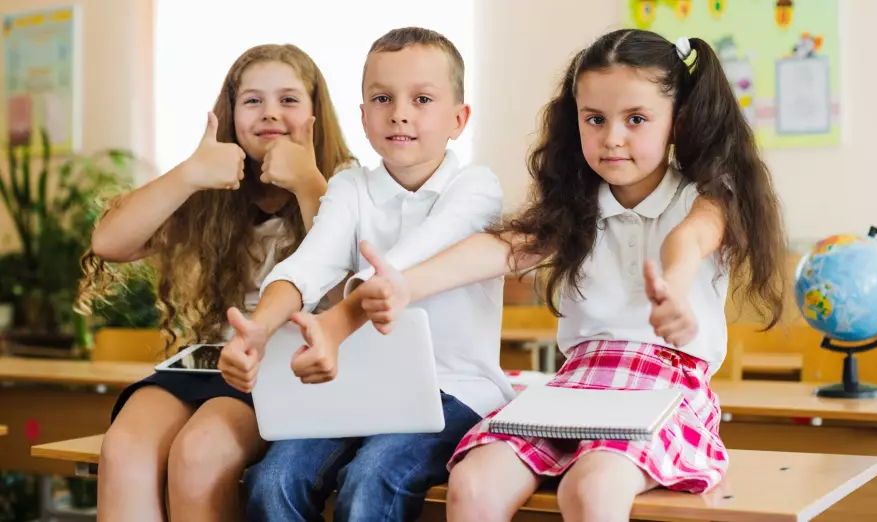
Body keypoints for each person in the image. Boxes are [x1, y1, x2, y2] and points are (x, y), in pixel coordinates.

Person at [317, 28, 788, 522]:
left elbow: (690, 239)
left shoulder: (709, 196)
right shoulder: (575, 206)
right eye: (595, 119)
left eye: (637, 119)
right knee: (473, 483)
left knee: (593, 486)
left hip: (665, 389)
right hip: (576, 383)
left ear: (678, 121)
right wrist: (403, 284)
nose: (613, 138)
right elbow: (500, 250)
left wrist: (673, 287)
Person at [217, 28, 514, 522]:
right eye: (382, 98)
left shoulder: (477, 187)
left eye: (421, 98)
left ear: (459, 119)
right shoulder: (350, 186)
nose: (399, 112)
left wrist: (347, 310)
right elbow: (308, 264)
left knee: (371, 478)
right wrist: (259, 329)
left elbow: (410, 259)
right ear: (363, 116)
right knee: (272, 481)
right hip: (359, 391)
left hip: (458, 391)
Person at [75, 43, 355, 522]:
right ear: (230, 115)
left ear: (315, 115)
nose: (270, 113)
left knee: (199, 451)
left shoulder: (346, 185)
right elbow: (109, 243)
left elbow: (347, 289)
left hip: (285, 372)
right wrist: (189, 174)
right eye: (252, 101)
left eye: (288, 100)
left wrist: (309, 183)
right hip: (209, 364)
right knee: (123, 448)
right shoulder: (213, 190)